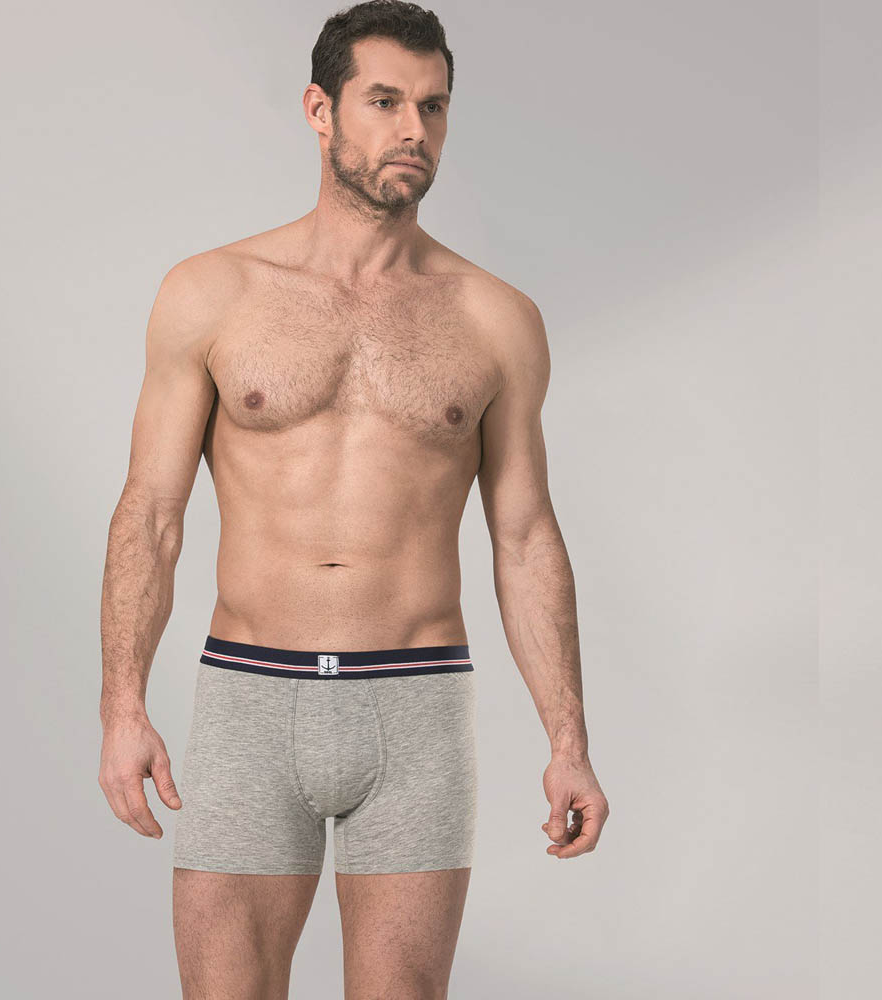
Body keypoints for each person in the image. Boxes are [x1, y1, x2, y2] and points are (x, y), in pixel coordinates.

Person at [98, 1, 609, 996]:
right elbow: (149, 516)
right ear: (319, 110)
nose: (414, 129)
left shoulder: (496, 319)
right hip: (249, 699)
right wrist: (123, 706)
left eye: (433, 106)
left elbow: (523, 536)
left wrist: (568, 742)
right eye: (384, 101)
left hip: (416, 708)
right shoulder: (212, 292)